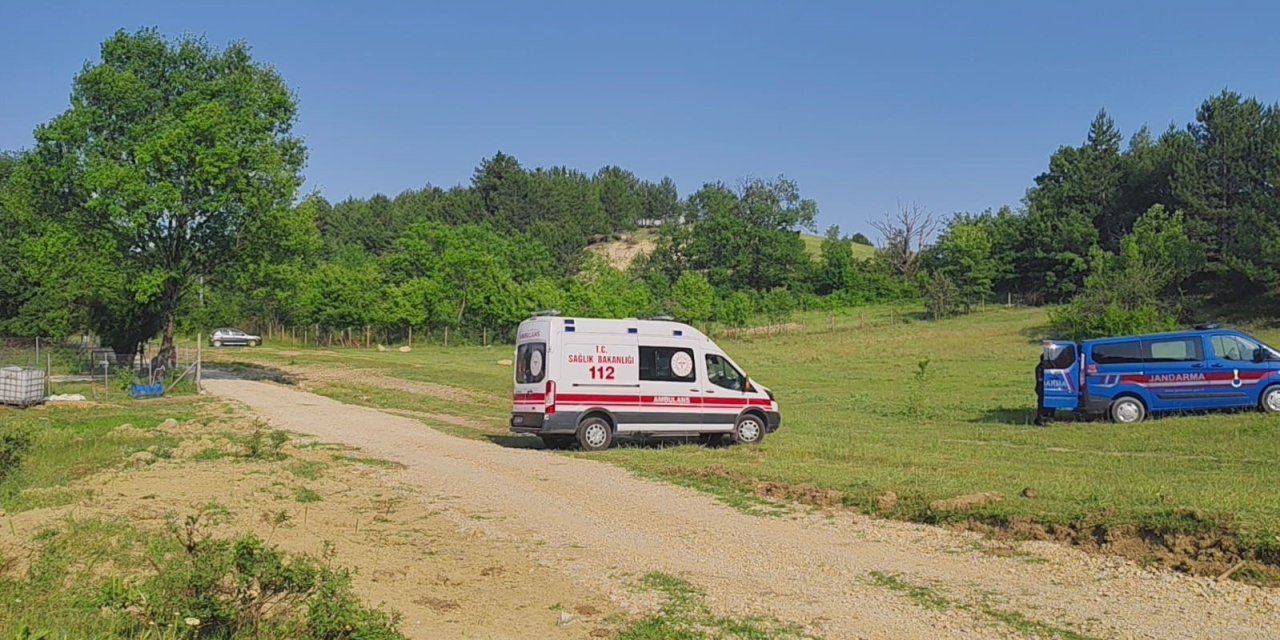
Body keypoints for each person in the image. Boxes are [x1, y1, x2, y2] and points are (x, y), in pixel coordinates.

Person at [1033, 354, 1051, 426]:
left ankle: (1042, 419)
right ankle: (1040, 420)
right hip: (1041, 387)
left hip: (1041, 387)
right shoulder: (1040, 368)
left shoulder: (1039, 367)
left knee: (1043, 404)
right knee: (1042, 404)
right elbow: (1040, 379)